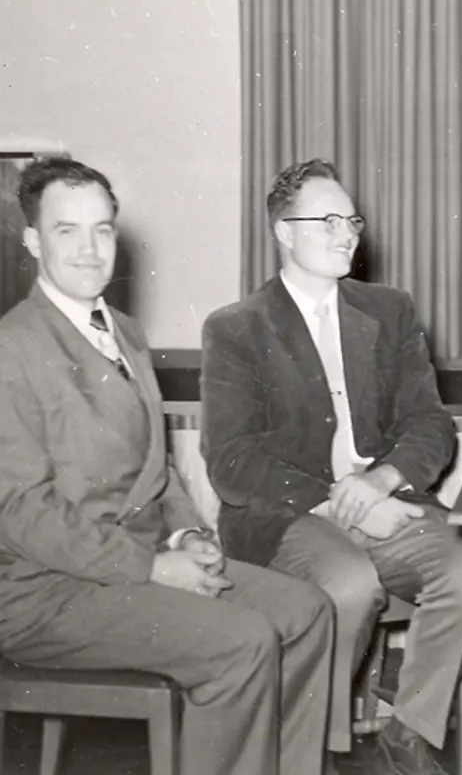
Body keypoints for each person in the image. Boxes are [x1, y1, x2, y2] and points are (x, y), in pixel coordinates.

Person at [0, 157, 333, 775]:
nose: (89, 249)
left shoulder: (123, 332)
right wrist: (152, 567)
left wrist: (188, 534)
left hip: (137, 563)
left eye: (102, 230)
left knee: (306, 611)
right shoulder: (12, 347)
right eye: (67, 230)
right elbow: (21, 512)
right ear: (33, 241)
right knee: (241, 643)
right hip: (46, 592)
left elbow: (159, 470)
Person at [200, 158, 462, 775]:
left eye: (351, 220)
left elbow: (430, 424)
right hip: (287, 516)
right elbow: (232, 460)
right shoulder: (237, 328)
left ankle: (408, 735)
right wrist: (343, 503)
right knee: (350, 585)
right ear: (283, 231)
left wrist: (381, 482)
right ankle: (313, 753)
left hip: (384, 503)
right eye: (327, 221)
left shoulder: (389, 310)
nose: (347, 235)